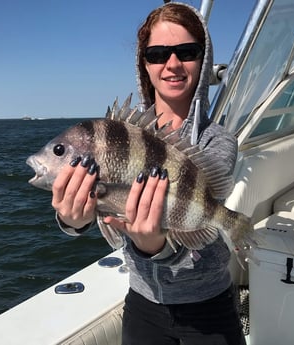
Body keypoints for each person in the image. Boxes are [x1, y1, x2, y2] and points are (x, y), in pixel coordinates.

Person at [52, 3, 246, 345]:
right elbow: (105, 206)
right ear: (145, 63)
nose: (172, 64)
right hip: (143, 304)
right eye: (158, 54)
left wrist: (153, 246)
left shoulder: (217, 142)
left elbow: (198, 227)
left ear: (203, 60)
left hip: (209, 306)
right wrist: (73, 220)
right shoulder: (116, 134)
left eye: (186, 52)